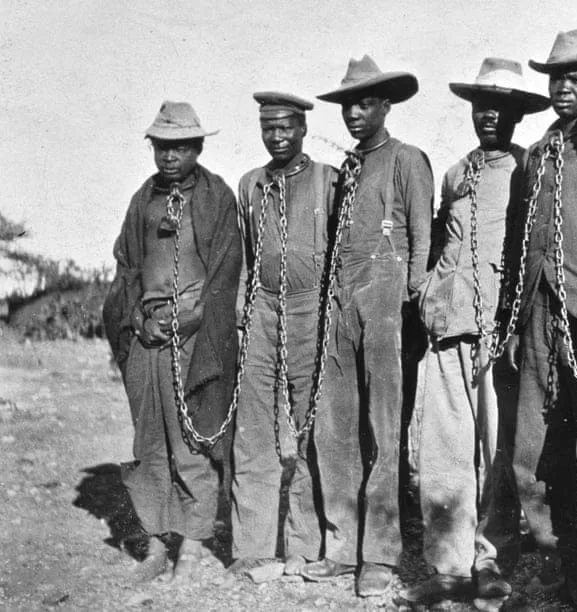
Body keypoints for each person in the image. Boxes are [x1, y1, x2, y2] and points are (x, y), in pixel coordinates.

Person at [398, 57, 549, 608]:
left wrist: (513, 322)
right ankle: (448, 567)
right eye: (482, 106)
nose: (489, 116)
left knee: (496, 450)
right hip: (447, 326)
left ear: (517, 116)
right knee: (444, 454)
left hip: (497, 330)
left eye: (501, 109)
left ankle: (491, 561)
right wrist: (427, 294)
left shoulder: (529, 169)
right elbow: (441, 240)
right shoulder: (455, 172)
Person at [493, 28, 577, 606]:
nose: (563, 88)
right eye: (555, 79)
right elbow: (516, 239)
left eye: (575, 78)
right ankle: (561, 562)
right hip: (538, 318)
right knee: (538, 451)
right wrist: (511, 320)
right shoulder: (536, 153)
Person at [300, 55, 433, 598]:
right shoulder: (347, 169)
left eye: (365, 104)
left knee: (383, 429)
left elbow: (422, 238)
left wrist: (411, 303)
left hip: (387, 299)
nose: (354, 114)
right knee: (334, 427)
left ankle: (379, 553)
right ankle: (340, 545)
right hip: (341, 299)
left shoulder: (407, 159)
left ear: (386, 106)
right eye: (348, 106)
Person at [102, 101, 241, 582]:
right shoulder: (143, 199)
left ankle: (194, 546)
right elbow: (127, 268)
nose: (169, 156)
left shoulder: (217, 197)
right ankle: (157, 543)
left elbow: (226, 271)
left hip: (196, 337)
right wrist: (139, 320)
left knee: (191, 440)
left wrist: (192, 319)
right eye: (162, 146)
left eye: (180, 147)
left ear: (197, 147)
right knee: (150, 440)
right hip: (149, 335)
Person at [229, 92, 339, 580]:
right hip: (261, 308)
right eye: (268, 128)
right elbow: (246, 250)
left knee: (311, 426)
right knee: (254, 425)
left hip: (311, 308)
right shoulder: (250, 184)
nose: (276, 136)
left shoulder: (328, 180)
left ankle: (304, 544)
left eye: (285, 127)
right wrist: (243, 305)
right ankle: (252, 544)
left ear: (303, 129)